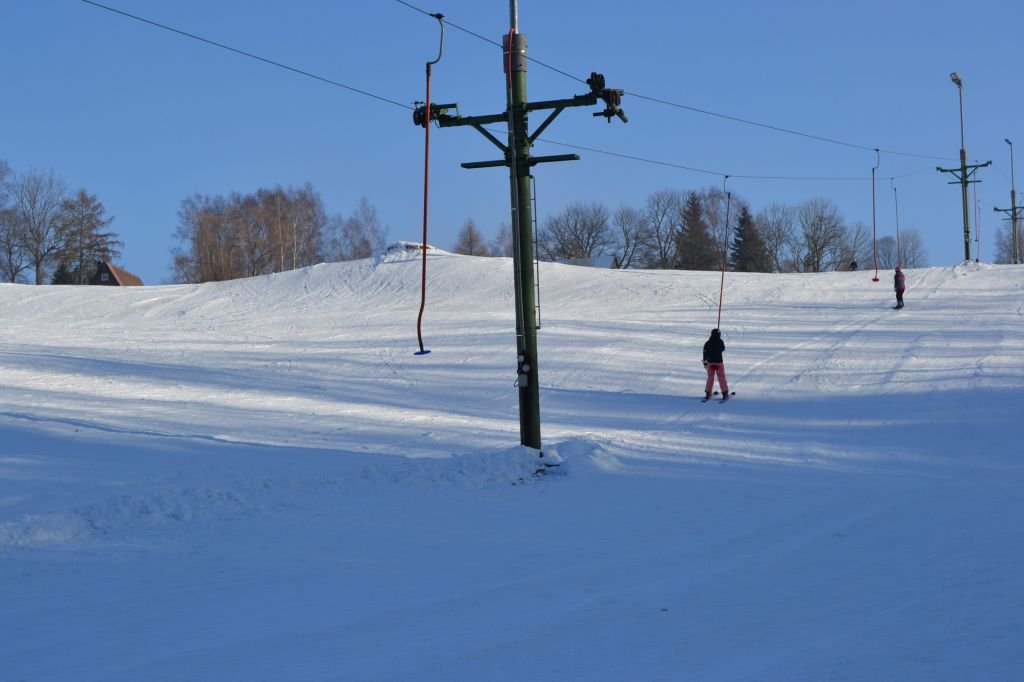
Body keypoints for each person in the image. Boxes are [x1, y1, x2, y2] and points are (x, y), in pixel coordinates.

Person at [702, 328, 729, 400]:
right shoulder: (720, 341)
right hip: (719, 362)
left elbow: (705, 353)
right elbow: (723, 349)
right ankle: (725, 392)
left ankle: (708, 392)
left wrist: (705, 362)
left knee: (710, 377)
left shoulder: (707, 343)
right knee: (721, 377)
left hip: (710, 363)